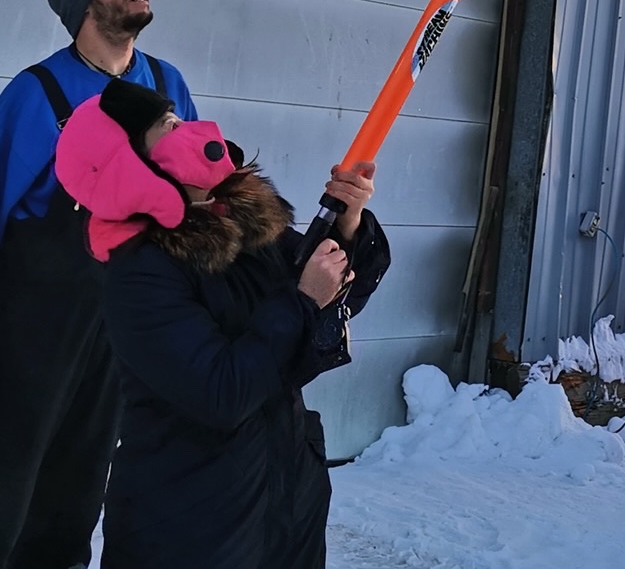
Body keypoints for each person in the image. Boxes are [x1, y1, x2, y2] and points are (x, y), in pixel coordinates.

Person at [0, 0, 197, 569]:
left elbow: (201, 203)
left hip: (120, 328)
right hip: (29, 329)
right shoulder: (38, 93)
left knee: (72, 504)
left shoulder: (166, 86)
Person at [53, 79, 391, 569]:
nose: (188, 130)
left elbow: (337, 299)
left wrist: (348, 228)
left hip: (284, 503)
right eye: (166, 128)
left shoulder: (243, 224)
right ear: (131, 167)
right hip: (192, 524)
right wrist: (301, 302)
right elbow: (221, 392)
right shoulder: (140, 272)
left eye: (179, 119)